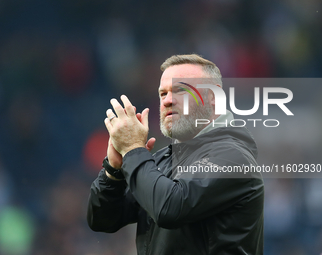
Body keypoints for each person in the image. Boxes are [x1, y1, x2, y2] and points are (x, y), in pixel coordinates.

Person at [87, 54, 264, 254]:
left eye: (181, 90)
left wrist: (133, 151)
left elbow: (169, 208)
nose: (168, 101)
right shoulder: (162, 160)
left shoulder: (233, 157)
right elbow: (102, 220)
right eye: (163, 94)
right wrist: (114, 170)